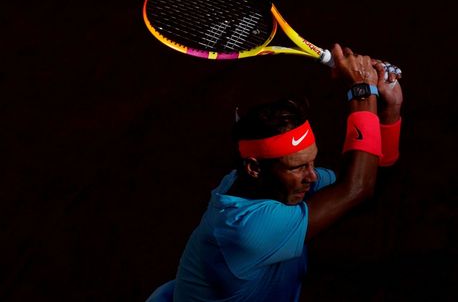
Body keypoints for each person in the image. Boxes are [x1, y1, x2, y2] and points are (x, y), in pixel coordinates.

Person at [147, 43, 403, 302]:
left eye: (312, 162)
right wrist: (361, 90)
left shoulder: (270, 182)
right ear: (255, 168)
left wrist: (389, 114)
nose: (312, 177)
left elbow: (366, 188)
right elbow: (358, 188)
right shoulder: (246, 228)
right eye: (298, 167)